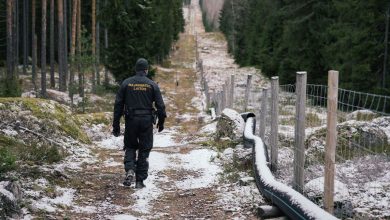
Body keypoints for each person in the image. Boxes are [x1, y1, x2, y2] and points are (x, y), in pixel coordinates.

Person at [112, 58, 166, 188]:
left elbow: (118, 105)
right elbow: (160, 106)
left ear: (136, 70)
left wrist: (116, 124)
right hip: (146, 121)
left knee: (130, 146)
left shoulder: (126, 83)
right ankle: (139, 181)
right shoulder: (152, 85)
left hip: (131, 120)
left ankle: (130, 169)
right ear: (146, 70)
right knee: (144, 149)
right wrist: (161, 122)